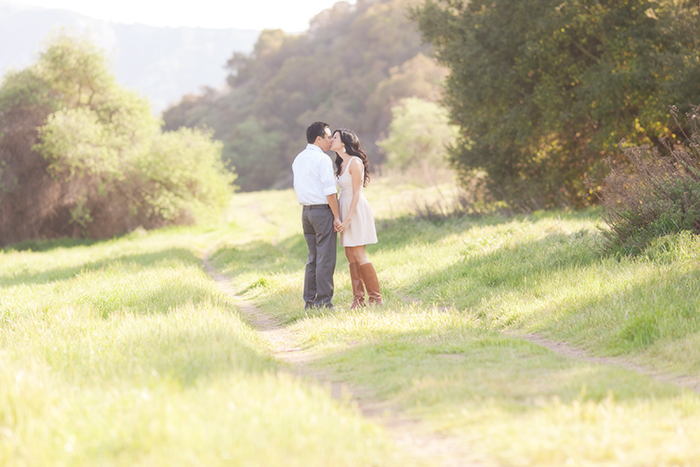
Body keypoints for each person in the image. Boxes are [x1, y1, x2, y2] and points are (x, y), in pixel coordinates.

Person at [330, 128, 383, 308]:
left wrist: (348, 220)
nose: (331, 139)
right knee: (349, 254)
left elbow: (357, 193)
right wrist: (338, 217)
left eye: (334, 137)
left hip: (355, 209)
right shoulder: (341, 164)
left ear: (344, 142)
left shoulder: (355, 162)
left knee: (359, 254)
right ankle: (358, 299)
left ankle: (376, 298)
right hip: (344, 208)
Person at [292, 122, 341, 309]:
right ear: (318, 139)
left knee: (313, 258)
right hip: (322, 212)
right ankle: (324, 303)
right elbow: (330, 191)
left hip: (306, 213)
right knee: (326, 258)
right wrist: (336, 216)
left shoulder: (298, 159)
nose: (330, 140)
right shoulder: (322, 159)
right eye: (328, 137)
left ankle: (310, 302)